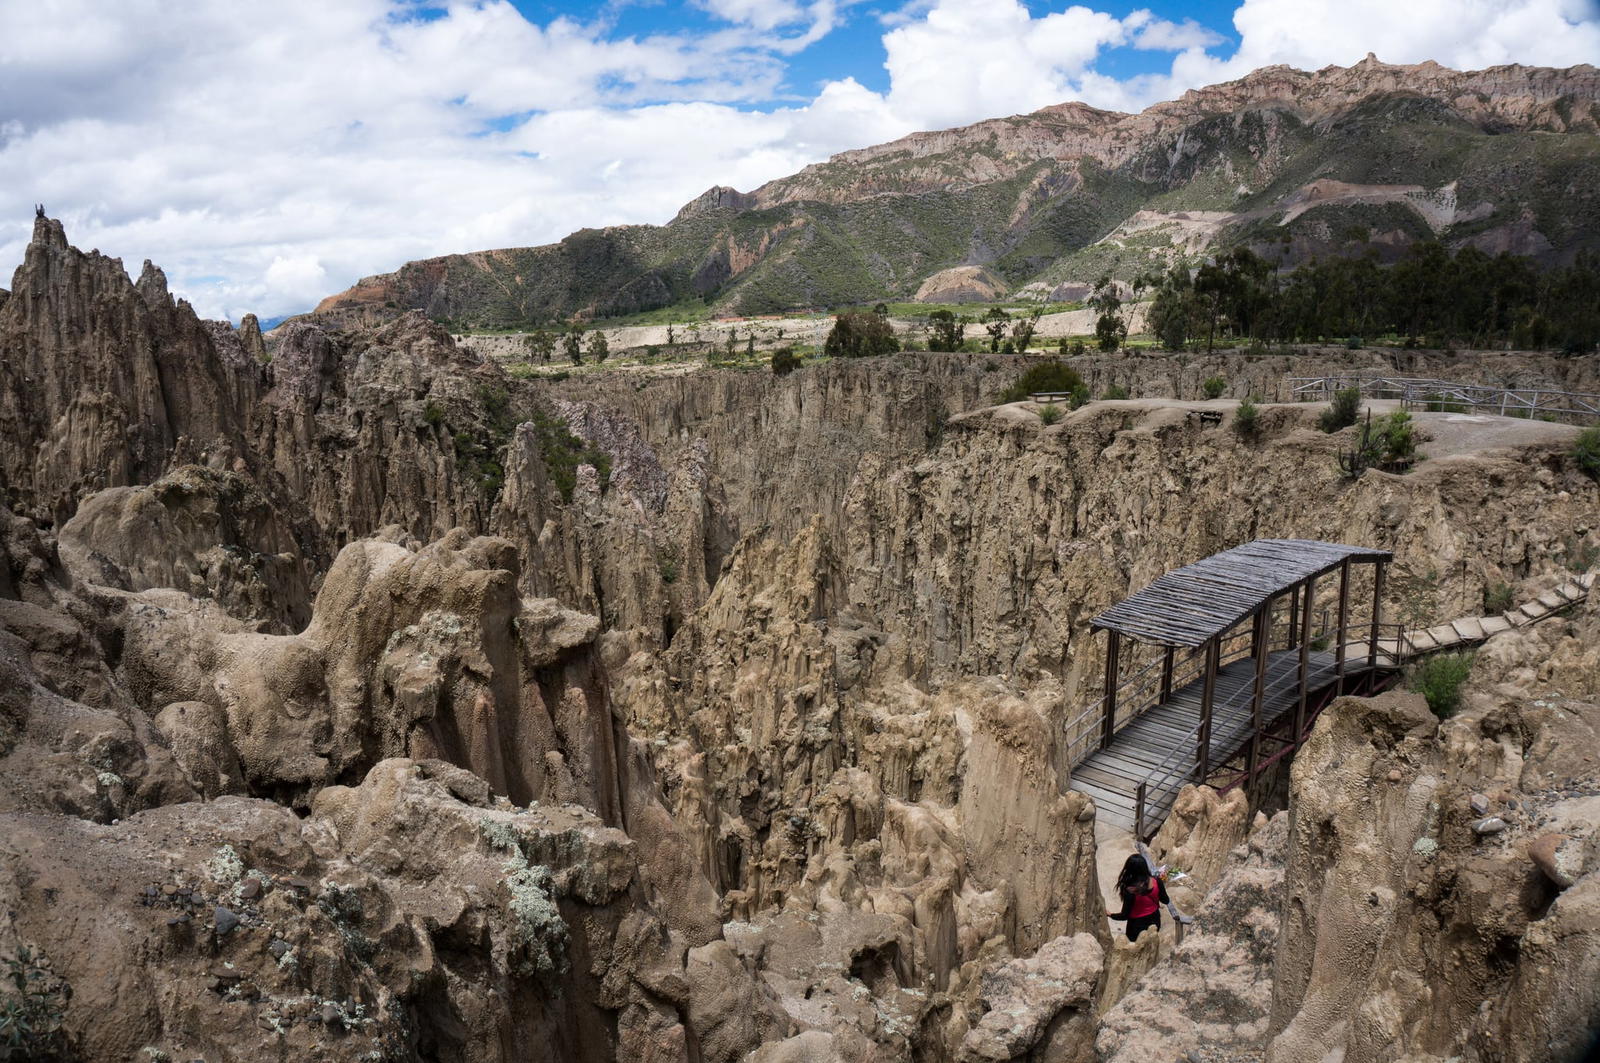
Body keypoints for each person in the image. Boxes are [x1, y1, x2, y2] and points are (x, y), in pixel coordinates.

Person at [1108, 850, 1194, 942]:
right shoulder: (1156, 881)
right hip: (1154, 921)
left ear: (1129, 870)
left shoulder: (1130, 890)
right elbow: (1165, 900)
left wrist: (1110, 914)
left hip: (1136, 926)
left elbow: (1124, 915)